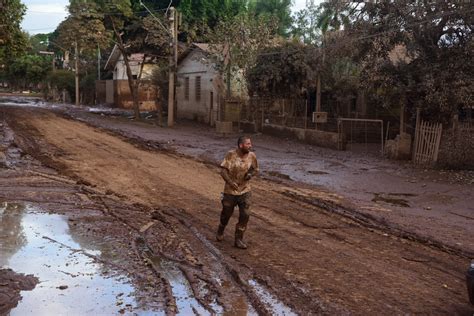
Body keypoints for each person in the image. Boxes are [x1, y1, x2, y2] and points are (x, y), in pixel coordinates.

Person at [216, 136, 259, 249]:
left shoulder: (252, 156)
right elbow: (223, 171)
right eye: (248, 144)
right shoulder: (231, 155)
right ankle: (221, 228)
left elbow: (255, 169)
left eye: (250, 144)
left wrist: (250, 174)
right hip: (230, 191)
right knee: (226, 214)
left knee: (245, 215)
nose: (250, 146)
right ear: (241, 145)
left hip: (245, 190)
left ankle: (238, 239)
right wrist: (230, 182)